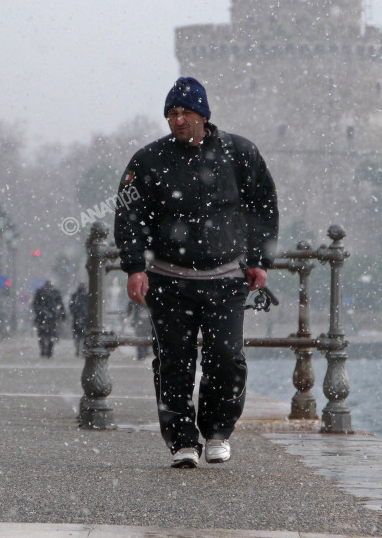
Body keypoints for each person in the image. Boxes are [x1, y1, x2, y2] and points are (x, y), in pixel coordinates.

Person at [114, 77, 277, 469]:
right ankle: (183, 440)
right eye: (171, 113)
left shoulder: (240, 153)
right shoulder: (148, 160)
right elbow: (128, 214)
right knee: (174, 361)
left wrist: (259, 259)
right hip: (168, 281)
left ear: (203, 115)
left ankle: (218, 431)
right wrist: (135, 266)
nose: (178, 119)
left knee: (226, 357)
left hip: (225, 279)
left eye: (185, 112)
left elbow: (263, 207)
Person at [31, 280, 65, 358]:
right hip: (52, 318)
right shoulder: (55, 293)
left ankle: (43, 349)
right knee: (51, 334)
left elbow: (35, 305)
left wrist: (39, 312)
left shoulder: (40, 292)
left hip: (41, 317)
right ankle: (49, 349)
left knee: (41, 335)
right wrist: (61, 315)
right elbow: (60, 305)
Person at [69, 282, 88, 357]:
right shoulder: (87, 296)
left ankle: (78, 348)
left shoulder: (75, 296)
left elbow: (71, 307)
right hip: (85, 319)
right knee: (84, 335)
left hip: (77, 318)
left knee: (77, 335)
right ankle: (83, 349)